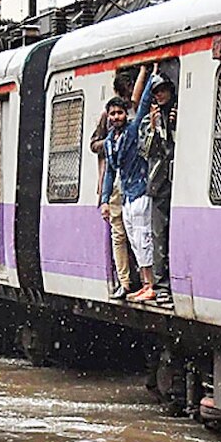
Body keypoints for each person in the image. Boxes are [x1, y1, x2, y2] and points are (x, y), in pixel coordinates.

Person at [100, 64, 158, 303]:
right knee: (134, 238)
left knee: (143, 238)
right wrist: (105, 201)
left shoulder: (132, 132)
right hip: (126, 197)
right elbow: (110, 173)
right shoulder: (109, 143)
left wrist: (152, 76)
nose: (116, 117)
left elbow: (143, 106)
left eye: (119, 113)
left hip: (140, 191)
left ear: (125, 115)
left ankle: (150, 284)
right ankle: (145, 283)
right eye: (112, 114)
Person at [91, 71, 141, 299]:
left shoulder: (134, 123)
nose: (116, 116)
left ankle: (139, 278)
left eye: (119, 113)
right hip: (116, 187)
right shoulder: (109, 124)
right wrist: (111, 145)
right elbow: (94, 145)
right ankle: (125, 281)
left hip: (134, 185)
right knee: (119, 235)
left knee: (135, 232)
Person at [139, 73, 176, 305]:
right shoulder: (147, 121)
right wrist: (154, 128)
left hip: (178, 183)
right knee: (159, 236)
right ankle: (162, 285)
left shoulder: (179, 112)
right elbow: (147, 151)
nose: (160, 95)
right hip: (158, 184)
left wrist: (175, 124)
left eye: (163, 90)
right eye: (156, 92)